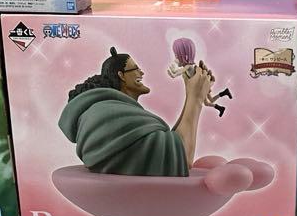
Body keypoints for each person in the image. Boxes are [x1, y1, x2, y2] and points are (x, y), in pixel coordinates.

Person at [59, 47, 216, 177]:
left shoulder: (113, 112)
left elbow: (171, 145)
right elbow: (181, 157)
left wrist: (192, 92)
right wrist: (195, 98)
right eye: (136, 68)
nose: (141, 73)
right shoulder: (109, 115)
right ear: (121, 75)